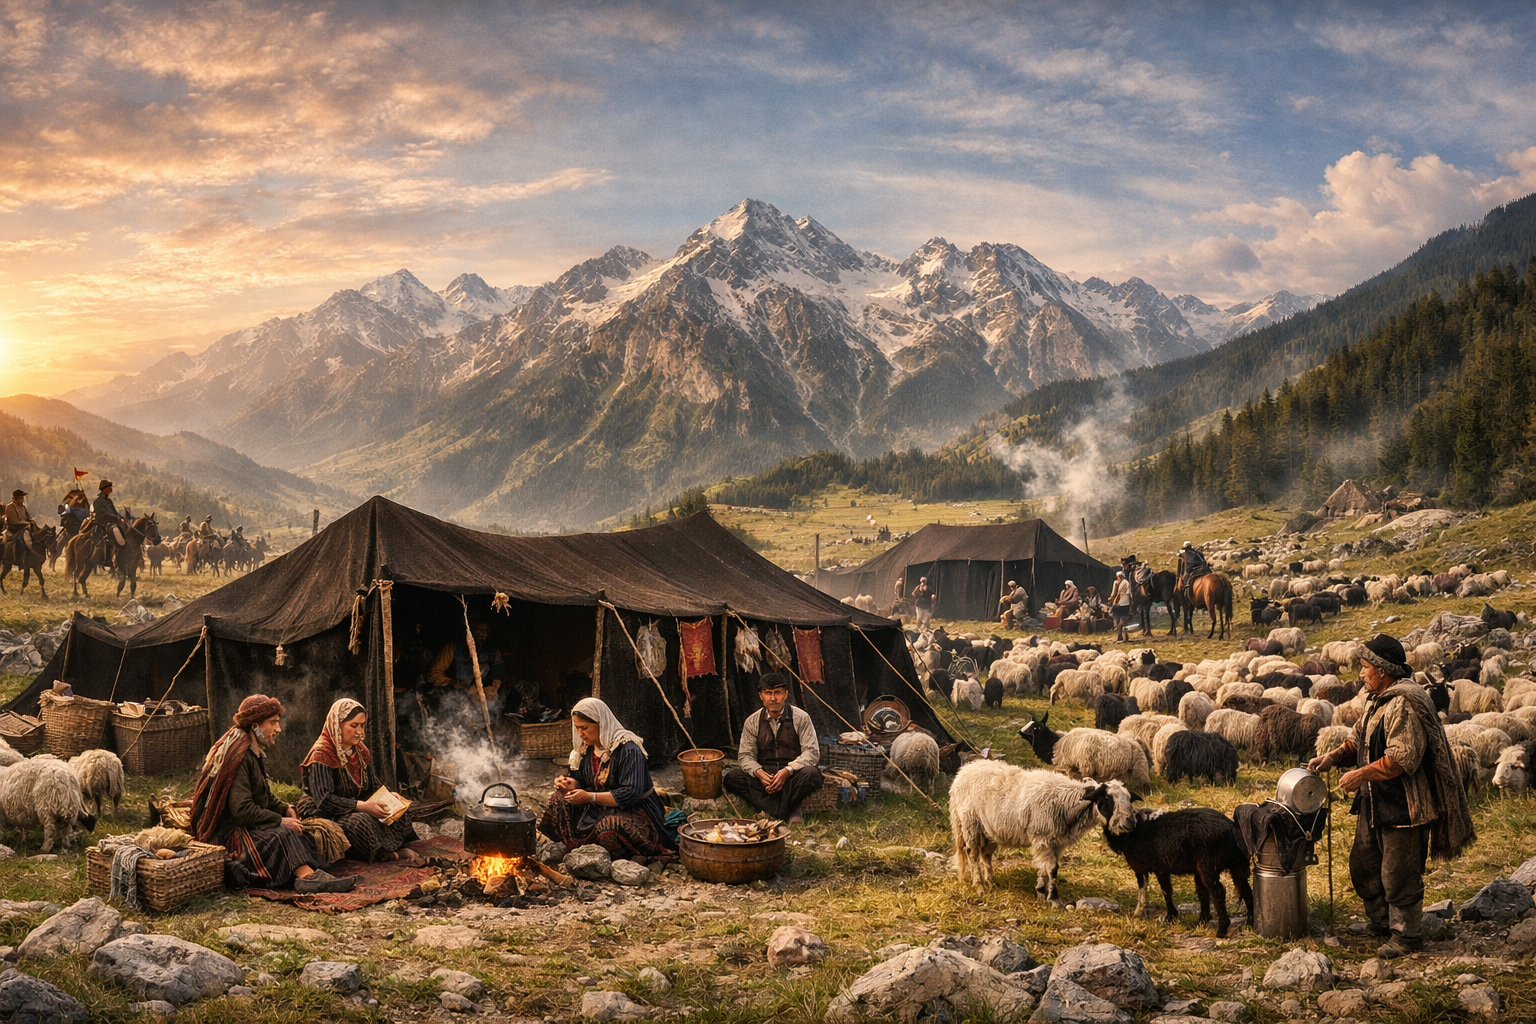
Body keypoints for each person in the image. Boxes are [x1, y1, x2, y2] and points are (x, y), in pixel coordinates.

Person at [1308, 635, 1475, 959]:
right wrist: (1333, 757)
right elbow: (1358, 740)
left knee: (1399, 872)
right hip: (1375, 803)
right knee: (1364, 866)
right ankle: (1381, 922)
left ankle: (1407, 935)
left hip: (1406, 806)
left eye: (1365, 667)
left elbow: (1403, 757)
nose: (1361, 673)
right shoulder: (1377, 700)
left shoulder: (1405, 703)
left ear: (1383, 671)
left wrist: (1360, 774)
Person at [189, 694, 354, 892]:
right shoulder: (239, 756)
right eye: (273, 723)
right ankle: (308, 878)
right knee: (283, 835)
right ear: (255, 725)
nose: (278, 729)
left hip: (246, 825)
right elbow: (242, 809)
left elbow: (263, 795)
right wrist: (280, 821)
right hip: (230, 835)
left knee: (303, 833)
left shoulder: (252, 750)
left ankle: (307, 874)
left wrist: (286, 808)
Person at [538, 698, 675, 860]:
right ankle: (576, 849)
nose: (580, 734)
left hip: (635, 810)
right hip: (598, 808)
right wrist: (569, 784)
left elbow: (631, 794)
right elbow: (580, 778)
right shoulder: (587, 748)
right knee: (558, 799)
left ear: (601, 724)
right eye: (577, 728)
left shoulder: (628, 749)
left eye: (585, 728)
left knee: (609, 827)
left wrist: (590, 797)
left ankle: (619, 857)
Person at [299, 698, 420, 865]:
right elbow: (324, 801)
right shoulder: (321, 755)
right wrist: (362, 806)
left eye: (362, 725)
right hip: (325, 812)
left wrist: (388, 795)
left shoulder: (360, 750)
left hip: (355, 806)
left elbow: (373, 785)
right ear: (337, 725)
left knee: (400, 808)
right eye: (353, 725)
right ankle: (385, 854)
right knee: (362, 822)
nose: (360, 732)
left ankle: (399, 847)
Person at [723, 672, 823, 824]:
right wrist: (759, 773)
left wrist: (787, 771)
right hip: (766, 777)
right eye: (768, 693)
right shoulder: (752, 721)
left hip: (791, 776)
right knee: (731, 778)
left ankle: (770, 811)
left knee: (811, 773)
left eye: (777, 693)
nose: (773, 698)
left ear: (786, 694)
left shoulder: (801, 718)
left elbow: (812, 753)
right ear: (761, 695)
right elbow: (745, 756)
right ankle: (789, 809)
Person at [427, 620, 508, 720]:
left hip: (482, 698)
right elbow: (434, 674)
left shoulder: (492, 650)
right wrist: (459, 686)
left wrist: (496, 683)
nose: (484, 635)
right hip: (457, 697)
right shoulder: (452, 647)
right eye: (481, 631)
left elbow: (498, 669)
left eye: (487, 631)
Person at [90, 479, 125, 552]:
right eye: (109, 487)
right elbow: (102, 514)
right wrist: (115, 518)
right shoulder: (98, 501)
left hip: (113, 522)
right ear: (104, 489)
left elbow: (115, 512)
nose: (110, 489)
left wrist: (121, 518)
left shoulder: (109, 501)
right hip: (103, 523)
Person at [3, 489, 35, 554]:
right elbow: (14, 522)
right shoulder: (10, 507)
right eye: (20, 498)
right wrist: (27, 523)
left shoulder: (23, 507)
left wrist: (31, 520)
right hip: (14, 530)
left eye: (22, 498)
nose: (22, 500)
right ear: (16, 499)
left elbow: (28, 517)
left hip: (25, 528)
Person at [1109, 570, 1134, 642]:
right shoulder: (1125, 582)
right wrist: (1131, 603)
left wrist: (1110, 598)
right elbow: (1129, 593)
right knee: (1122, 620)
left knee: (1118, 620)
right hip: (1124, 604)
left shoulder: (1116, 583)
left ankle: (1120, 635)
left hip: (1117, 604)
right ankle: (1122, 634)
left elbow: (1113, 594)